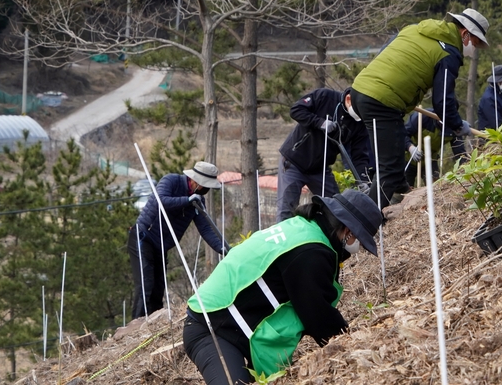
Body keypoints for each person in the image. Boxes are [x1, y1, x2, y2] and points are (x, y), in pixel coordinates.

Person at [183, 189, 383, 384]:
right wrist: (350, 345)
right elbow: (317, 315)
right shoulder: (311, 251)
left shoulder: (303, 228)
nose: (357, 247)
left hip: (239, 326)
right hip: (212, 328)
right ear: (348, 231)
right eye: (359, 240)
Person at [350, 7, 489, 205]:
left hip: (362, 89)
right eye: (474, 43)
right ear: (465, 34)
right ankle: (365, 222)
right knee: (387, 171)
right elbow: (442, 102)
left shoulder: (415, 29)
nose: (472, 50)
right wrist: (458, 125)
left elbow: (385, 53)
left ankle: (403, 192)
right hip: (381, 101)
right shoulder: (449, 52)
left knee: (396, 147)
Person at [128, 161, 229, 319]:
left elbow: (205, 229)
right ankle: (135, 326)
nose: (206, 191)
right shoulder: (171, 181)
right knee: (145, 285)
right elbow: (161, 200)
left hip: (161, 247)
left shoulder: (198, 200)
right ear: (195, 181)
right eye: (205, 186)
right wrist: (187, 200)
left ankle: (153, 324)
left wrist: (222, 248)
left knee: (158, 289)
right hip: (143, 238)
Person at [276, 88, 371, 223]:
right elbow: (296, 110)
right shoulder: (325, 97)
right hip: (294, 162)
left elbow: (359, 155)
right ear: (348, 100)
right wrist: (319, 122)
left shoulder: (358, 123)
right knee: (287, 210)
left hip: (320, 169)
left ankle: (332, 240)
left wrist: (362, 179)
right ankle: (284, 242)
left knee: (336, 207)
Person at [402, 112, 467, 186]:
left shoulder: (454, 127)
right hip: (408, 159)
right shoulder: (422, 117)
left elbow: (460, 152)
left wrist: (465, 169)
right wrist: (410, 147)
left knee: (436, 188)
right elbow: (403, 134)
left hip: (430, 160)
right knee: (402, 191)